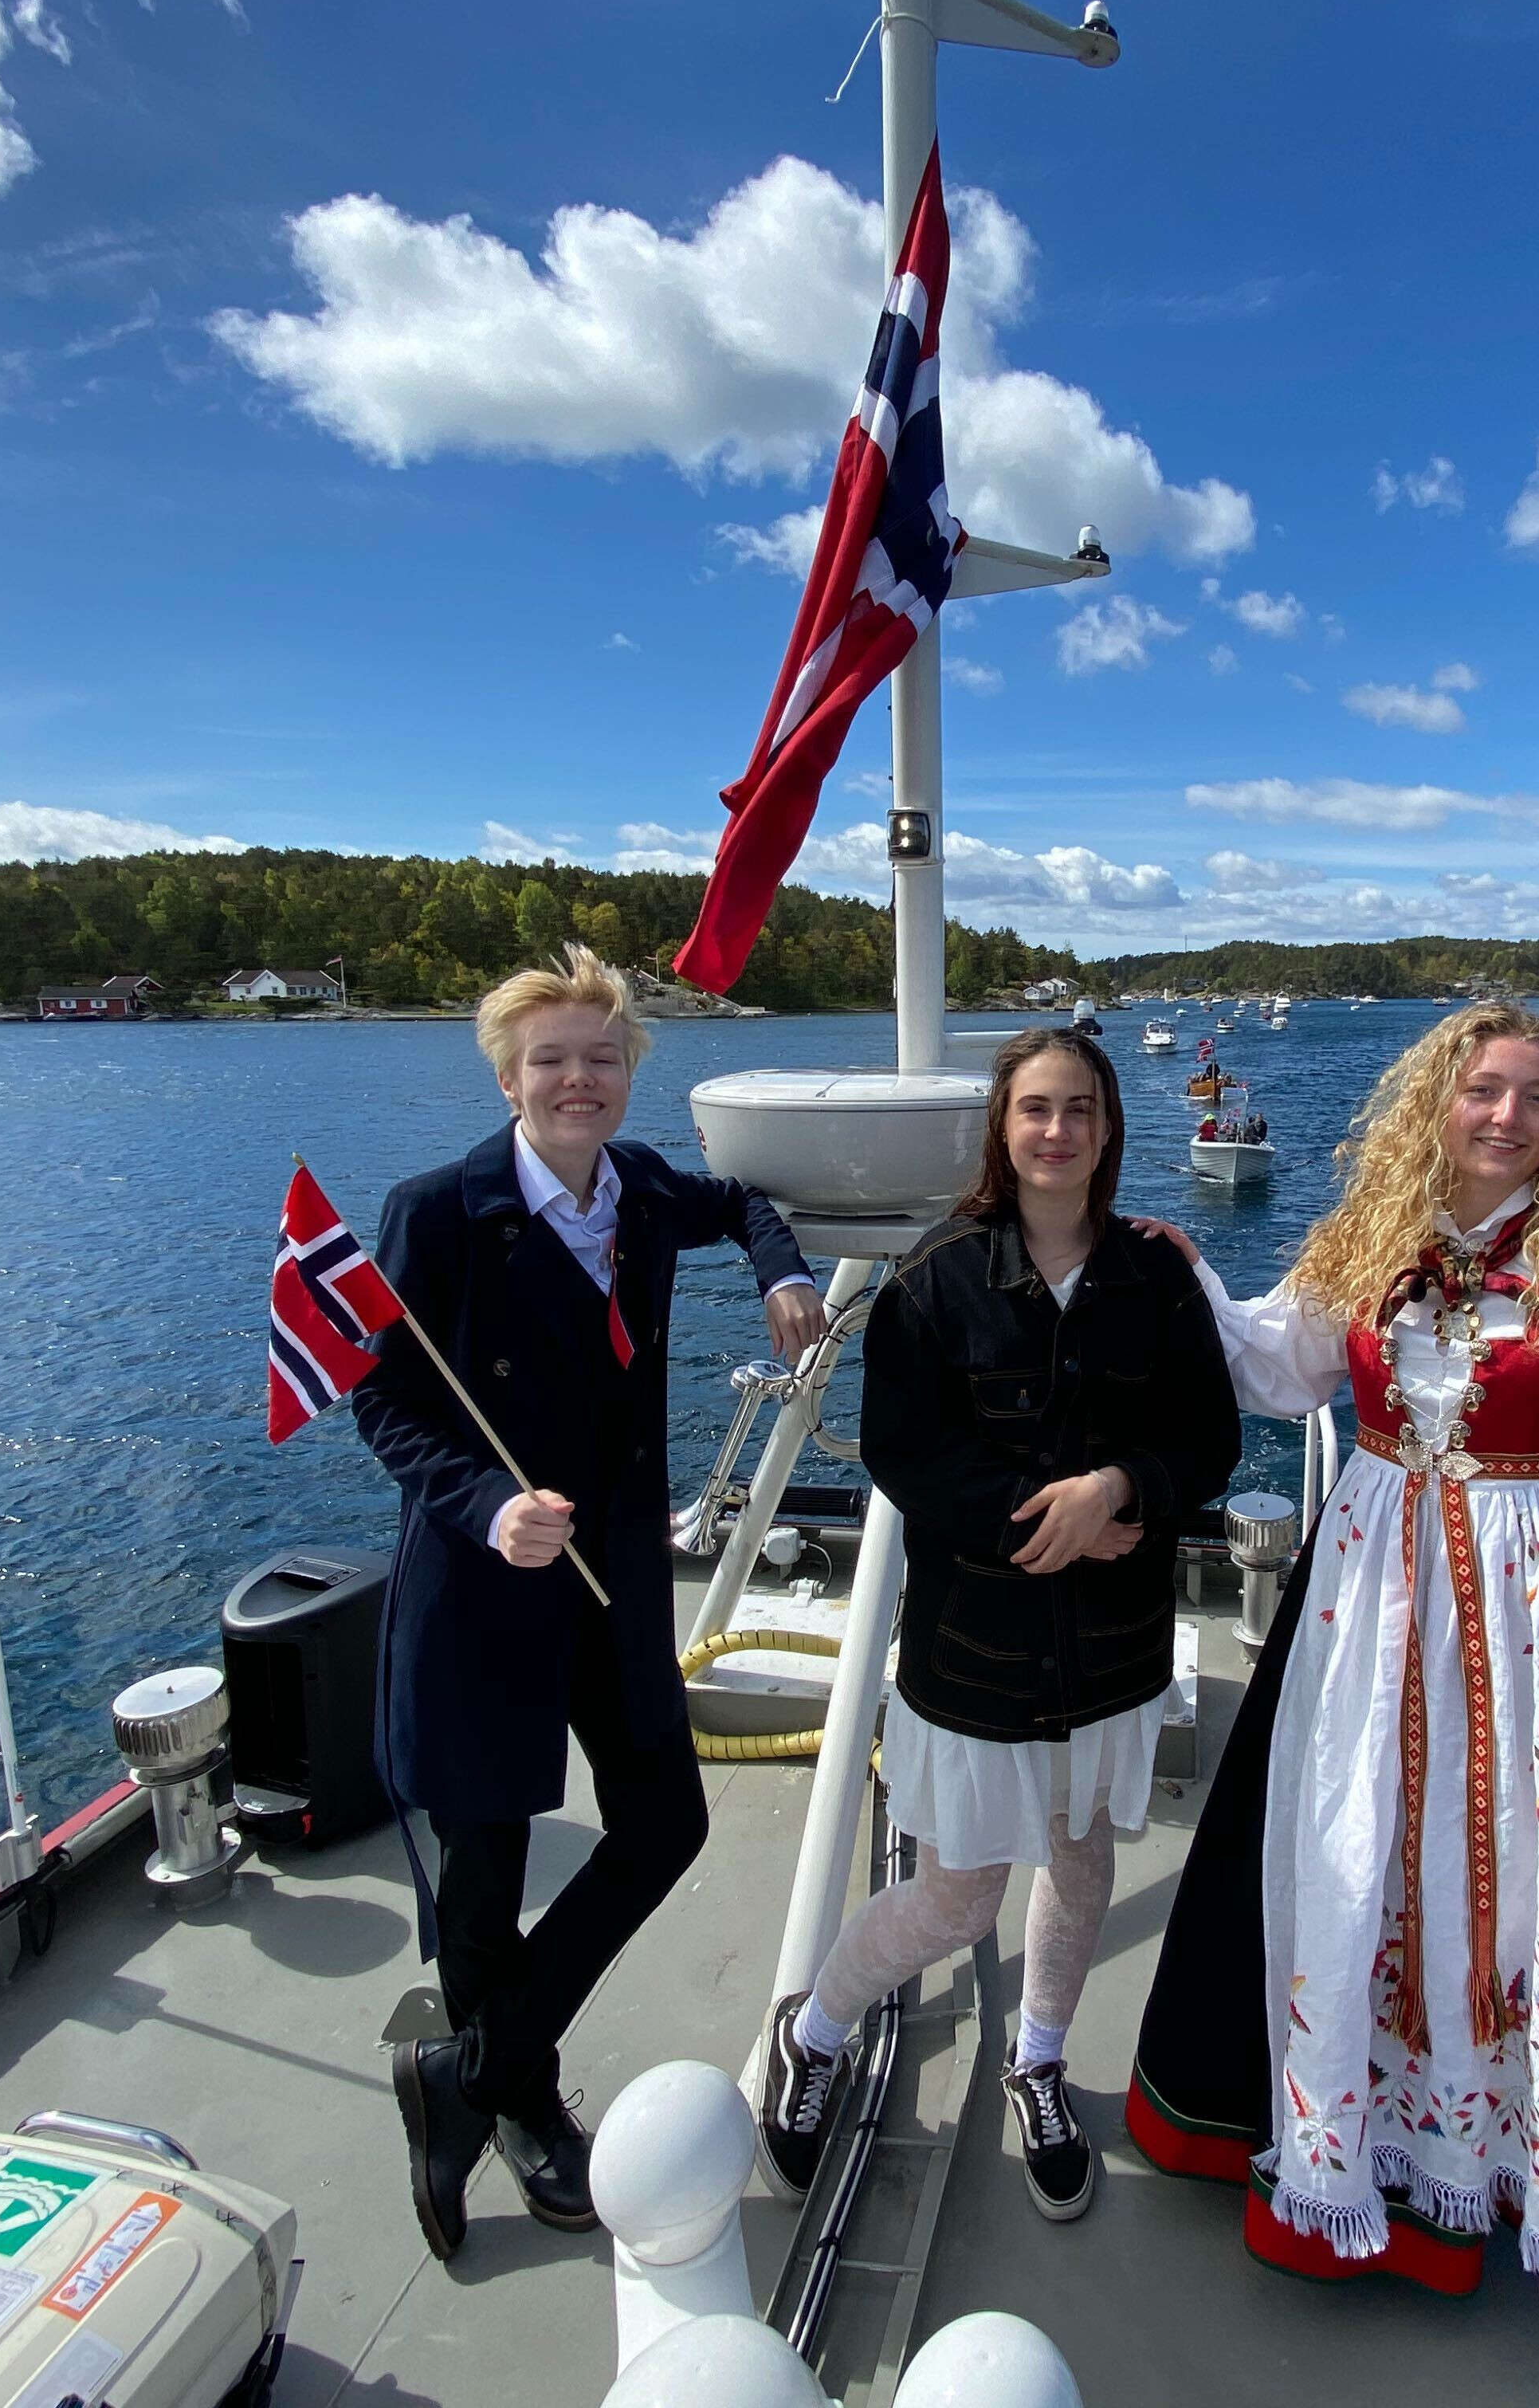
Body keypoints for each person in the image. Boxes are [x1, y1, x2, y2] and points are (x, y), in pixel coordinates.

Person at [1123, 1002, 1539, 2369]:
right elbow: (1280, 1366)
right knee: (1357, 1836)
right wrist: (1195, 1279)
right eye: (1485, 1089)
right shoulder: (1371, 1232)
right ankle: (1340, 2157)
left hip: (1533, 1601)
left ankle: (1493, 2171)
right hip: (1369, 1584)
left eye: (1538, 1097)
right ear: (1441, 1100)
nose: (1508, 1117)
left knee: (1518, 1861)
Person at [352, 941, 826, 2260]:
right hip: (483, 1591)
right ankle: (517, 2101)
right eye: (550, 1060)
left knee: (665, 1822)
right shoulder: (437, 1213)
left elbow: (743, 1200)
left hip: (610, 1581)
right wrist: (483, 1505)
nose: (579, 1080)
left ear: (629, 1073)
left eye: (602, 1058)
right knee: (485, 1877)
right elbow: (382, 1400)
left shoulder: (643, 1191)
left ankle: (471, 2070)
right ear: (507, 1079)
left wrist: (782, 1271)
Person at [761, 1031, 1240, 2221]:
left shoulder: (1155, 1276)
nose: (1057, 1131)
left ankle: (1040, 2061)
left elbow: (1208, 1439)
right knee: (957, 1898)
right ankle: (815, 2030)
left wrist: (1120, 1488)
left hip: (1111, 1654)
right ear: (1003, 1126)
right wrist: (1059, 1520)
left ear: (1109, 1128)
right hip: (979, 1653)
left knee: (1080, 1858)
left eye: (1080, 1109)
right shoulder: (937, 1280)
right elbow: (905, 1455)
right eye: (1036, 1108)